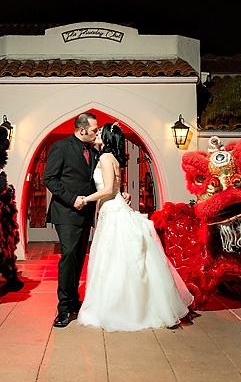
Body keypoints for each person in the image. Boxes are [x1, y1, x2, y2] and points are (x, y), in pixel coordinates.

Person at [77, 122, 194, 331]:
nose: (96, 135)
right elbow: (116, 189)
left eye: (99, 132)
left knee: (114, 260)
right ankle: (131, 305)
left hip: (112, 211)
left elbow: (108, 189)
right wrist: (121, 194)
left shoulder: (104, 157)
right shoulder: (113, 159)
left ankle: (119, 308)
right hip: (113, 209)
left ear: (107, 138)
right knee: (121, 259)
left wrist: (85, 200)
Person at [41, 112, 99, 328]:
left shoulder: (92, 152)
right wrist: (72, 199)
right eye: (94, 130)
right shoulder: (61, 147)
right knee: (68, 257)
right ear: (81, 129)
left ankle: (73, 301)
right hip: (66, 212)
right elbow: (48, 178)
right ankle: (63, 308)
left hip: (85, 214)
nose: (96, 133)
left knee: (78, 258)